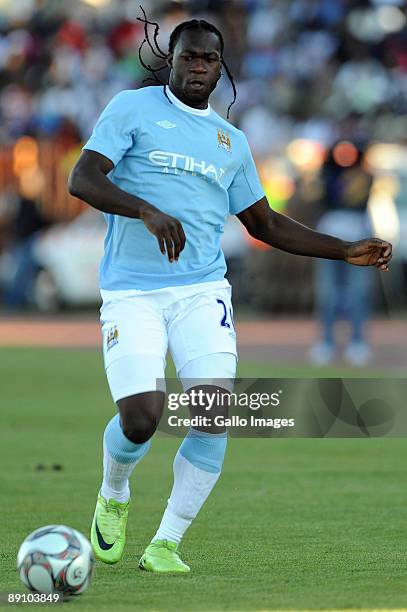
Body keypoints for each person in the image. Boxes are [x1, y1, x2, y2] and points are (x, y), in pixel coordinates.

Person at [68, 17, 392, 574]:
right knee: (142, 418)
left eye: (209, 60)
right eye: (189, 57)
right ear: (171, 60)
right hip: (132, 292)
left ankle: (166, 544)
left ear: (222, 67)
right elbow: (83, 178)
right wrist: (145, 209)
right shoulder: (132, 109)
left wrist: (344, 250)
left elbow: (263, 223)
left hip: (201, 290)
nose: (198, 67)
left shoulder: (231, 142)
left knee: (212, 414)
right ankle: (114, 493)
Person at [309, 142, 375, 366]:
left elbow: (358, 199)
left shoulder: (364, 176)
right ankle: (326, 341)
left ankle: (357, 341)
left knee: (357, 292)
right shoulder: (326, 176)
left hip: (357, 234)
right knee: (327, 293)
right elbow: (322, 198)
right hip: (330, 235)